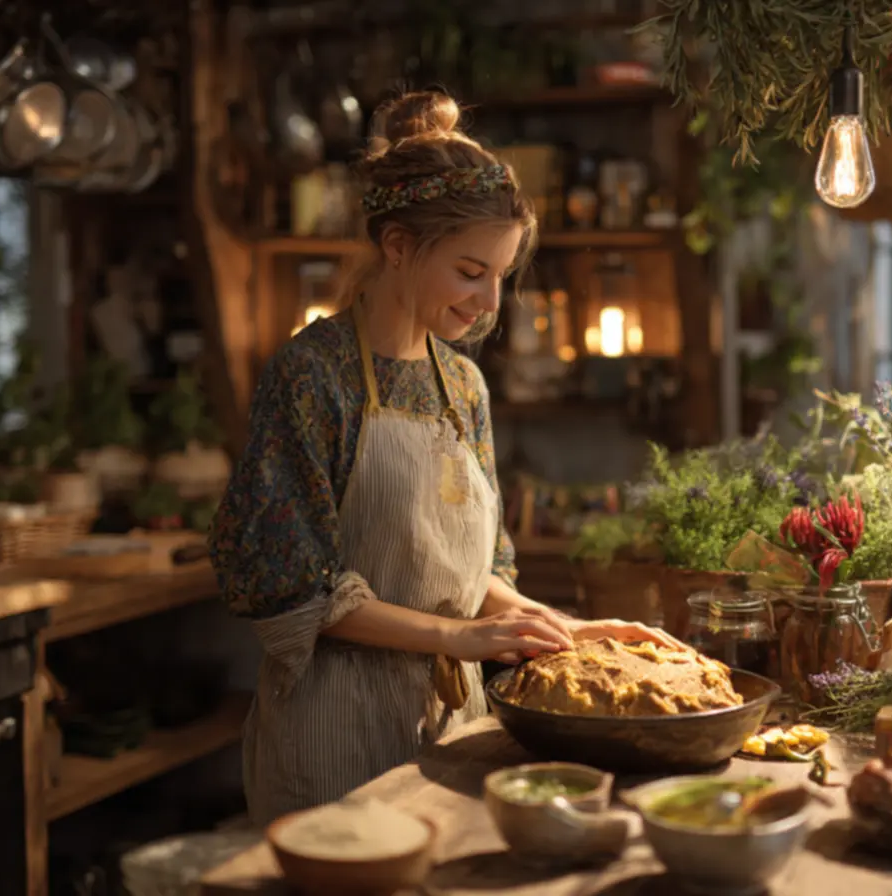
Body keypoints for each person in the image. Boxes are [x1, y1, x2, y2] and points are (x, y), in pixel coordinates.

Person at [209, 91, 681, 826]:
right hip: (333, 734)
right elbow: (292, 587)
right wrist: (460, 637)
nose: (489, 301)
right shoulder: (314, 374)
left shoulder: (461, 382)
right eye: (470, 271)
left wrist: (564, 628)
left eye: (501, 276)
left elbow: (472, 572)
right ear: (398, 247)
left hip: (449, 729)